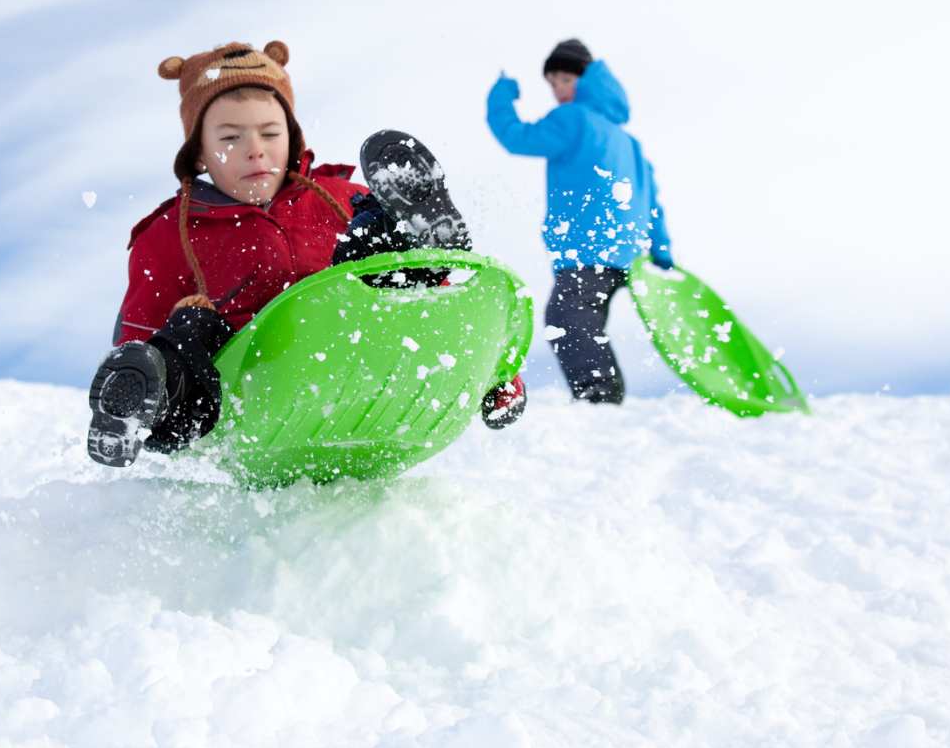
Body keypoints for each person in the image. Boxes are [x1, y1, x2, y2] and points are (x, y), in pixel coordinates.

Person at [87, 40, 526, 467]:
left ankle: (411, 233)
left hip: (361, 355)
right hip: (248, 393)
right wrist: (140, 373)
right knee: (190, 327)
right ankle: (142, 409)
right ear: (199, 154)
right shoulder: (168, 232)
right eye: (230, 137)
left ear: (293, 138)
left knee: (371, 247)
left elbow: (435, 308)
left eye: (270, 132)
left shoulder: (337, 195)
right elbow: (136, 335)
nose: (254, 148)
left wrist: (494, 376)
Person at [486, 39, 674, 405]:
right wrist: (662, 251)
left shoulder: (572, 119)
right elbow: (652, 201)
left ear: (584, 79)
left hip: (588, 248)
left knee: (567, 320)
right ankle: (603, 396)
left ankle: (600, 399)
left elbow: (518, 137)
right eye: (552, 83)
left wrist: (501, 97)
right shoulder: (630, 142)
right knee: (584, 322)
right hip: (627, 256)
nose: (557, 90)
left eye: (563, 80)